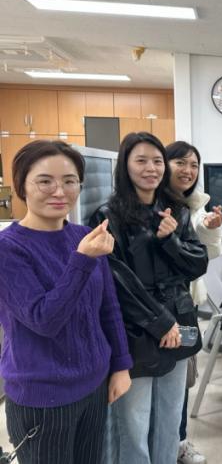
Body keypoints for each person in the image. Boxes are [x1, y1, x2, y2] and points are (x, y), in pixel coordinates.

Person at [0, 140, 132, 464]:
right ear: (22, 186)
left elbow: (108, 306)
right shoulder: (9, 248)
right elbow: (44, 320)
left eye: (70, 181)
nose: (59, 191)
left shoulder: (83, 235)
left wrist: (121, 365)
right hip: (43, 396)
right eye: (45, 181)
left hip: (94, 384)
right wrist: (82, 260)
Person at [90, 132, 208, 464]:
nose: (151, 168)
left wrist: (170, 240)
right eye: (141, 160)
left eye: (157, 161)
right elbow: (116, 281)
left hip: (179, 325)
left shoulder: (176, 211)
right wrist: (160, 323)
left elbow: (197, 264)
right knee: (134, 424)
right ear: (125, 165)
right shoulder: (107, 215)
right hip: (135, 331)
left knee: (170, 417)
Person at [167, 141, 222, 464]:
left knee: (183, 378)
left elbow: (206, 255)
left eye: (193, 165)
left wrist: (211, 229)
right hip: (157, 309)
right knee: (162, 382)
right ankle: (167, 446)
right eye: (180, 163)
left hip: (185, 306)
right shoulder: (154, 205)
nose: (188, 170)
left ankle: (179, 442)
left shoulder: (193, 205)